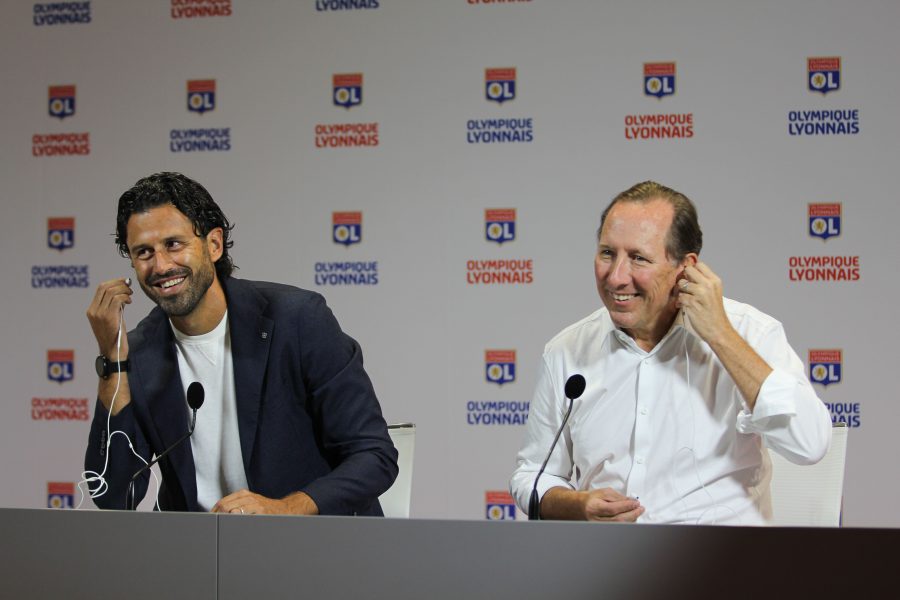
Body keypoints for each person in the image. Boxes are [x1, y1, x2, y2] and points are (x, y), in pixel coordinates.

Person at [509, 181, 832, 525]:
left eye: (638, 258)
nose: (616, 277)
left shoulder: (750, 332)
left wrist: (720, 335)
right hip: (609, 567)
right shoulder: (566, 350)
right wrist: (578, 505)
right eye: (607, 253)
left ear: (686, 268)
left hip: (724, 568)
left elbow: (809, 444)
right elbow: (532, 474)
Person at [83, 172, 397, 515]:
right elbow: (113, 496)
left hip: (313, 551)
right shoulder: (139, 352)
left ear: (214, 245)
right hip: (203, 559)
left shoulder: (298, 320)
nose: (160, 265)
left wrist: (286, 509)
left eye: (173, 244)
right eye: (143, 252)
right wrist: (113, 361)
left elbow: (374, 456)